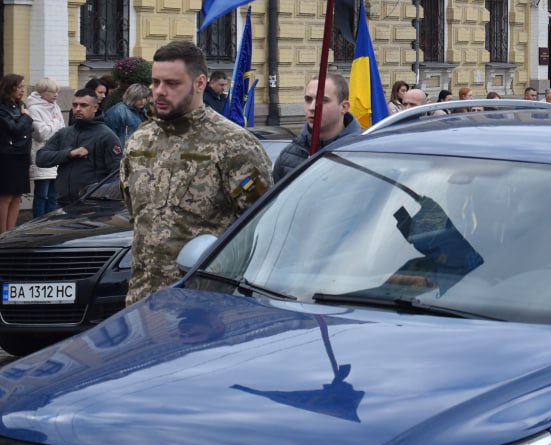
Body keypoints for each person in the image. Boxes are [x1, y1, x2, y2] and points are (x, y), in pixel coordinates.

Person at [121, 41, 272, 304]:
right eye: (155, 83)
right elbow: (136, 216)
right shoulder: (139, 141)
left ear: (200, 83)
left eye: (172, 83)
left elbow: (261, 227)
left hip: (204, 306)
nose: (160, 92)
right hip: (143, 302)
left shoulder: (233, 144)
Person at [272, 73, 364, 183]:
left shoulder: (364, 155)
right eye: (308, 99)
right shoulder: (288, 156)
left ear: (344, 107)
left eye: (323, 100)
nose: (312, 107)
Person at [36, 90, 122, 204]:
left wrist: (101, 197)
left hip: (93, 206)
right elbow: (41, 158)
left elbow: (117, 175)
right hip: (63, 202)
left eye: (83, 105)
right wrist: (69, 154)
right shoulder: (64, 133)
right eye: (75, 105)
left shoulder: (107, 136)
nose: (77, 109)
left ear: (95, 108)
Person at [27, 77, 65, 218]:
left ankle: (51, 223)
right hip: (41, 154)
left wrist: (51, 127)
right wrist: (54, 121)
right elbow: (40, 134)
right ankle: (38, 224)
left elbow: (62, 132)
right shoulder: (34, 108)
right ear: (42, 92)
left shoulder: (55, 106)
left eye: (57, 92)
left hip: (55, 155)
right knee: (41, 195)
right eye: (51, 92)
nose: (55, 95)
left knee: (53, 195)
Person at [0, 74, 32, 232]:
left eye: (23, 87)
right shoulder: (2, 108)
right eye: (19, 87)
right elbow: (14, 129)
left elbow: (27, 135)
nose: (22, 90)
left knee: (17, 196)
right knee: (5, 196)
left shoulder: (20, 105)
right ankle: (2, 234)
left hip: (21, 156)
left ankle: (11, 232)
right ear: (9, 87)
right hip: (7, 156)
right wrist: (25, 117)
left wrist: (29, 161)